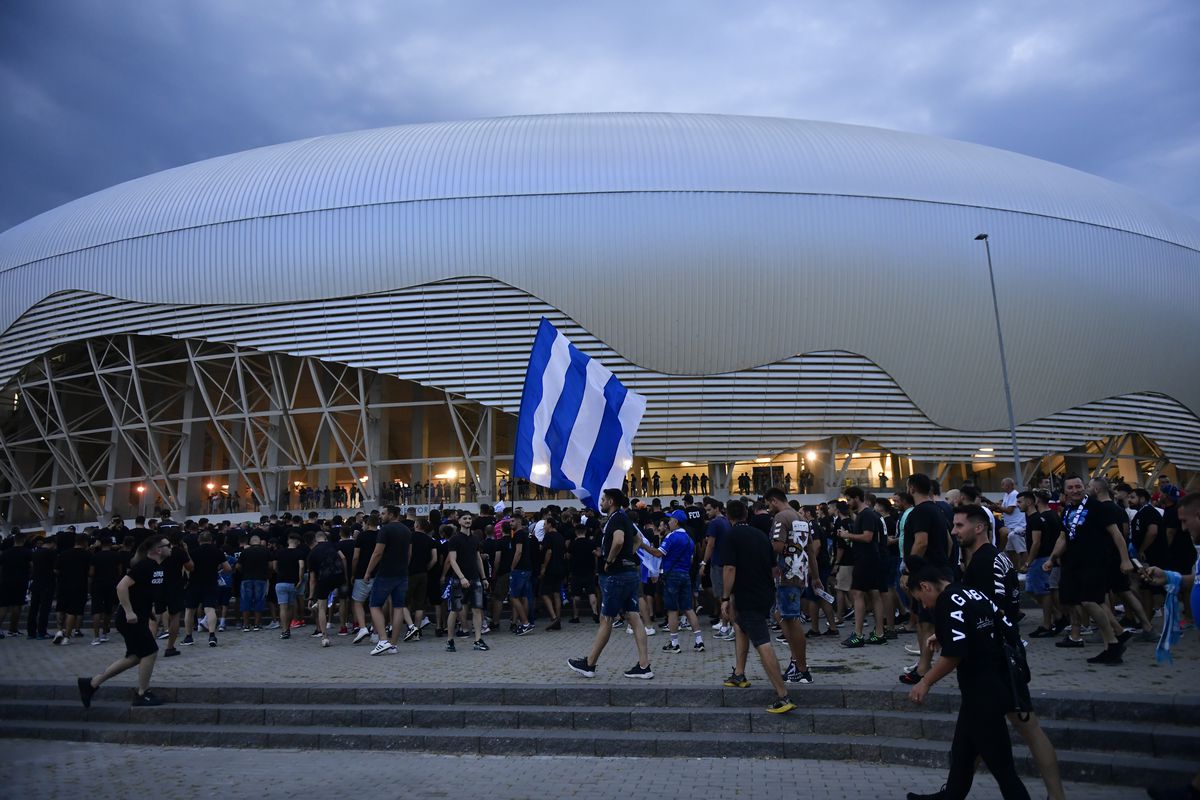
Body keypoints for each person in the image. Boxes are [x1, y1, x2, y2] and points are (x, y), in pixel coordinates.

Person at [953, 504, 1065, 800]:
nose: (954, 531)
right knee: (987, 731)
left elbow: (987, 611)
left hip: (995, 657)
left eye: (959, 525)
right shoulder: (998, 558)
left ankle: (1055, 795)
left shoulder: (983, 562)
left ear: (978, 528)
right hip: (1003, 651)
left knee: (1024, 725)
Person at [904, 557, 1031, 800]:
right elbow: (1000, 626)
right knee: (962, 752)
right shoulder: (970, 593)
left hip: (983, 691)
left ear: (925, 586)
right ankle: (950, 796)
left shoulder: (946, 601)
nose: (926, 607)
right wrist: (944, 637)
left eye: (922, 600)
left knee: (1002, 767)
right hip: (994, 683)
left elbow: (954, 655)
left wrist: (925, 681)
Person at [719, 500, 796, 714]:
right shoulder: (761, 535)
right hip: (764, 593)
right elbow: (774, 568)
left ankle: (782, 695)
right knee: (740, 626)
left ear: (728, 516)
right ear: (746, 514)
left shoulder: (731, 536)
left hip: (748, 595)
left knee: (762, 642)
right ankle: (739, 673)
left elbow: (730, 568)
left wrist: (725, 597)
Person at [78, 535, 172, 709]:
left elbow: (142, 591)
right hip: (130, 619)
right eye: (168, 545)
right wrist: (129, 611)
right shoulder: (144, 566)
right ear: (158, 550)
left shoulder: (157, 567)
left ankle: (91, 683)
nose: (170, 547)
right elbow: (121, 587)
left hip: (139, 617)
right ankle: (142, 693)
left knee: (134, 657)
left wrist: (148, 611)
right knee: (150, 652)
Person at [568, 489, 653, 679]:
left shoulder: (615, 518)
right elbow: (638, 539)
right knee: (634, 617)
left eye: (604, 500)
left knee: (606, 619)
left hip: (617, 575)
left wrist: (610, 560)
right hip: (629, 572)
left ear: (611, 501)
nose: (601, 503)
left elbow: (619, 540)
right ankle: (644, 665)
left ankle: (589, 664)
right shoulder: (624, 517)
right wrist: (628, 555)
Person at [1045, 474, 1128, 664]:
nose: (1075, 490)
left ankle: (1114, 642)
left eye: (1078, 486)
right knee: (1086, 602)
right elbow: (1063, 538)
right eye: (1071, 487)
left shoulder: (1096, 507)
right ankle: (1111, 645)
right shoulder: (1067, 510)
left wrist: (1125, 560)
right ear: (1065, 491)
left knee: (1091, 601)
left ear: (1084, 487)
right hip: (1074, 564)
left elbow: (1116, 534)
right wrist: (1053, 558)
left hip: (1095, 561)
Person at [899, 473, 953, 686]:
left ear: (912, 488)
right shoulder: (937, 509)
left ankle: (924, 669)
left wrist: (909, 571)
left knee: (928, 623)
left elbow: (921, 542)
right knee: (924, 621)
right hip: (938, 571)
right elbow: (949, 542)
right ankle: (923, 664)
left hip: (928, 576)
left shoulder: (920, 511)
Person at [765, 487, 816, 683]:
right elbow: (811, 551)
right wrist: (816, 576)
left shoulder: (780, 518)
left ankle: (801, 668)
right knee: (782, 616)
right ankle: (796, 663)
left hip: (786, 574)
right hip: (800, 573)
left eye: (769, 503)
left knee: (791, 620)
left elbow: (777, 546)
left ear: (775, 500)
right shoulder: (802, 519)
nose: (769, 507)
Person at [841, 485, 888, 647]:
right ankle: (879, 633)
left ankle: (858, 634)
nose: (847, 503)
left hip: (866, 560)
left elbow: (868, 537)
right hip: (871, 559)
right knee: (874, 594)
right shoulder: (867, 514)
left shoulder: (866, 515)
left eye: (848, 499)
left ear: (856, 498)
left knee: (858, 594)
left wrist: (848, 535)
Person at [364, 506, 412, 656]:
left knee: (375, 605)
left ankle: (383, 640)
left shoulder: (385, 530)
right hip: (402, 573)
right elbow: (409, 553)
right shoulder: (407, 530)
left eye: (383, 513)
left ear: (391, 515)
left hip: (386, 573)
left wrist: (368, 571)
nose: (381, 516)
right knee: (398, 607)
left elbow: (378, 552)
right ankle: (393, 644)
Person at [657, 510, 704, 654]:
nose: (668, 522)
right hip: (685, 574)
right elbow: (691, 558)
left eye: (670, 520)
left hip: (672, 575)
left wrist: (642, 546)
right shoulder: (689, 539)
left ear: (676, 522)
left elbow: (659, 553)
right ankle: (699, 640)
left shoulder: (671, 536)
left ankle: (674, 643)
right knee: (688, 608)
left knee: (672, 609)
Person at [443, 512, 489, 652]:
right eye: (465, 518)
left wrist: (484, 577)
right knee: (455, 610)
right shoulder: (455, 539)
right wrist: (461, 577)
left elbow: (478, 559)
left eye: (469, 518)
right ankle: (450, 641)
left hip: (475, 578)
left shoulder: (475, 539)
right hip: (458, 580)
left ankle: (478, 639)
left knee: (477, 609)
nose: (468, 521)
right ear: (459, 521)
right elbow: (452, 560)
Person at [183, 530, 229, 648]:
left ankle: (188, 637)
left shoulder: (193, 552)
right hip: (211, 583)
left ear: (199, 541)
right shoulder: (218, 552)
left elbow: (188, 568)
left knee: (190, 610)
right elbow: (228, 568)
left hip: (194, 584)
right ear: (212, 540)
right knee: (210, 609)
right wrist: (218, 569)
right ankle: (212, 635)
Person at [698, 497, 732, 640]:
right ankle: (726, 623)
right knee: (726, 595)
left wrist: (704, 563)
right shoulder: (726, 521)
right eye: (706, 510)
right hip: (726, 561)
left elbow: (710, 544)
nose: (707, 512)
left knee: (721, 596)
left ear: (717, 508)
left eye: (709, 509)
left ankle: (726, 625)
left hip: (717, 563)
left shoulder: (714, 523)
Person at [307, 529, 347, 648]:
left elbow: (312, 579)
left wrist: (311, 596)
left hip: (323, 579)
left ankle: (324, 636)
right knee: (344, 600)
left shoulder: (312, 553)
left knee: (321, 607)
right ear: (325, 538)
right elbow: (343, 558)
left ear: (315, 539)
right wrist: (345, 575)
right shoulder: (333, 545)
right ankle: (343, 626)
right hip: (338, 576)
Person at [538, 516, 567, 630]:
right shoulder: (560, 536)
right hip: (560, 568)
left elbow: (548, 552)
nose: (544, 527)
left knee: (544, 592)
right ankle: (558, 617)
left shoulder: (548, 536)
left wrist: (544, 567)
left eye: (545, 524)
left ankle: (554, 617)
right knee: (556, 593)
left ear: (550, 524)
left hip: (551, 568)